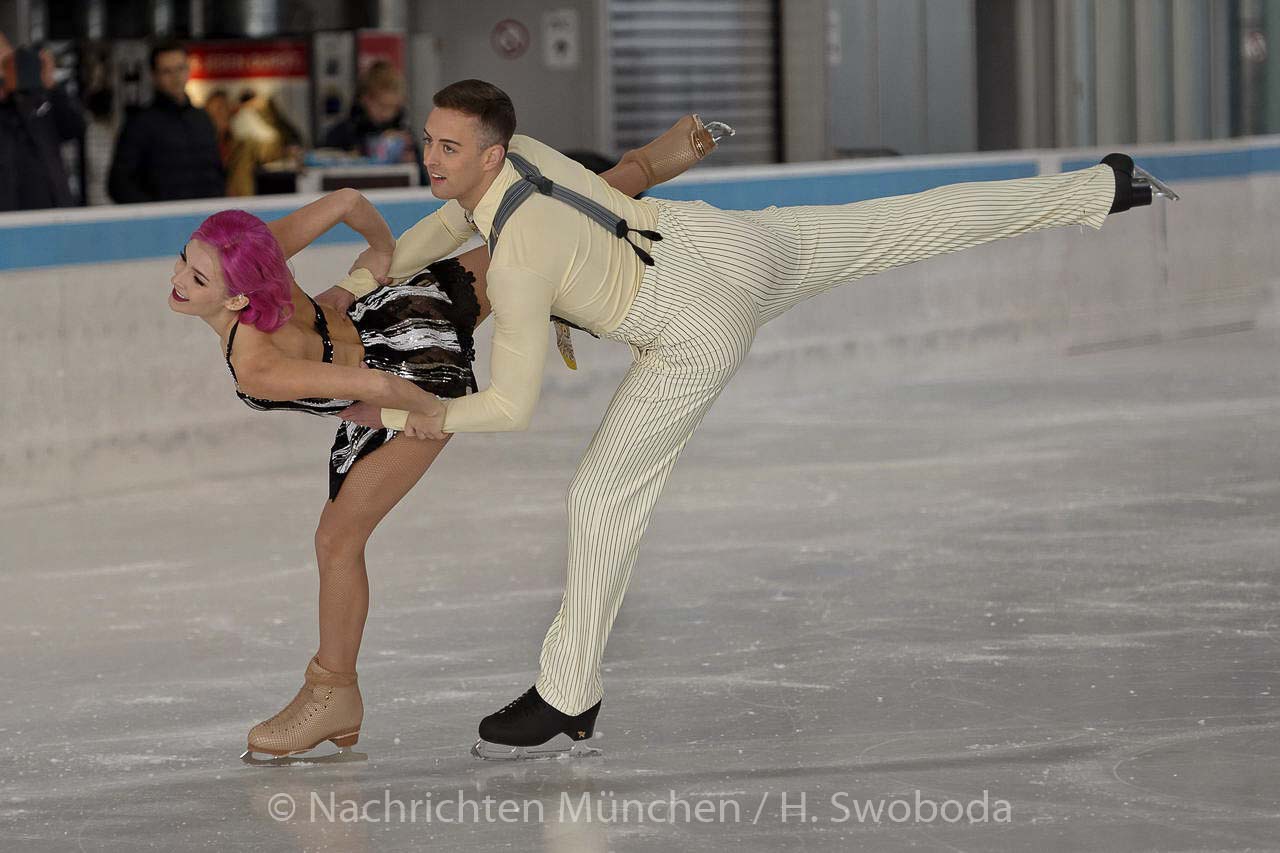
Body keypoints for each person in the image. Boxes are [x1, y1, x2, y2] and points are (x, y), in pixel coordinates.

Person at [335, 79, 1177, 760]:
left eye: (448, 147)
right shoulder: (523, 156)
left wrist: (418, 415)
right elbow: (448, 221)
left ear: (490, 153)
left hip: (690, 326)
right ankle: (1104, 187)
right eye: (428, 141)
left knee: (600, 496)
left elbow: (511, 406)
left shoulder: (519, 262)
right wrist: (363, 276)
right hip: (726, 244)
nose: (430, 157)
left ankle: (568, 693)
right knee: (902, 221)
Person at [162, 117, 725, 763]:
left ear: (237, 300)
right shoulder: (254, 254)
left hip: (412, 375)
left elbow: (380, 386)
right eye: (185, 261)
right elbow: (347, 202)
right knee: (534, 227)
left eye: (197, 277)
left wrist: (434, 415)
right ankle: (658, 158)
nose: (179, 278)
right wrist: (373, 260)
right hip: (406, 307)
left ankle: (334, 694)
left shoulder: (256, 363)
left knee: (336, 541)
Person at [108, 39, 223, 203]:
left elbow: (215, 171)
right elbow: (119, 183)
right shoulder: (140, 124)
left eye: (180, 68)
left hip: (204, 213)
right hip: (164, 216)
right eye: (167, 71)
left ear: (188, 70)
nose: (176, 77)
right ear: (154, 76)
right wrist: (153, 211)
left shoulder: (202, 119)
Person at [0, 33, 84, 211]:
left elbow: (74, 128)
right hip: (9, 218)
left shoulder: (37, 99)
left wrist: (51, 84)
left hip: (53, 211)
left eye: (9, 59)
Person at [321, 61, 423, 180]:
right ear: (365, 99)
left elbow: (424, 181)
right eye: (382, 106)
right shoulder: (341, 134)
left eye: (394, 108)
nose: (388, 114)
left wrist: (412, 164)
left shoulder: (404, 136)